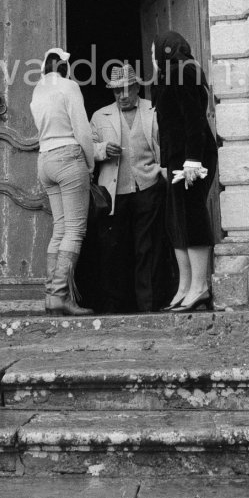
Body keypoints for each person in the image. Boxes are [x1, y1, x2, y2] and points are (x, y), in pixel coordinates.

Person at [90, 64, 166, 313]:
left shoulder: (152, 110)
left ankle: (148, 306)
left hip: (148, 186)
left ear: (136, 88)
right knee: (114, 250)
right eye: (116, 92)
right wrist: (102, 150)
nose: (122, 96)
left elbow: (165, 144)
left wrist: (162, 171)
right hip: (114, 193)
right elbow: (86, 148)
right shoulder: (100, 116)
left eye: (126, 90)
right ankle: (114, 307)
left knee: (147, 248)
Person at [152, 31, 218, 312]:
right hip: (177, 158)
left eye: (154, 51)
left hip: (193, 157)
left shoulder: (184, 72)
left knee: (191, 217)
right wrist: (168, 161)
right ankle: (185, 287)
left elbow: (193, 120)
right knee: (176, 221)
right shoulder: (170, 75)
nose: (153, 56)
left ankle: (200, 287)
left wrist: (193, 161)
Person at [30, 47, 94, 316]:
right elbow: (82, 129)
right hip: (68, 156)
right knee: (75, 231)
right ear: (65, 67)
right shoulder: (69, 87)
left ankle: (51, 295)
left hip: (44, 159)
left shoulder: (38, 90)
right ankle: (59, 295)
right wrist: (89, 162)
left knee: (60, 228)